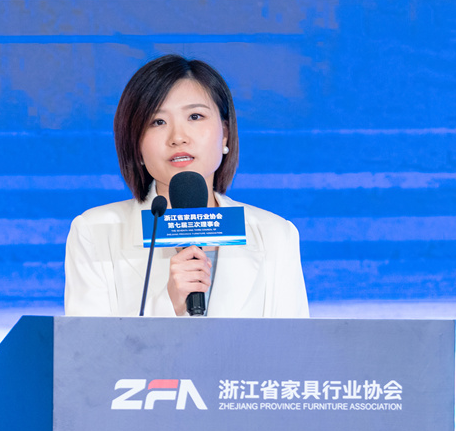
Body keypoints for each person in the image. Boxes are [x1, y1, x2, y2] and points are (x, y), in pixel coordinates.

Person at [64, 54, 309, 318]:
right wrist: (168, 304)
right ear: (136, 144)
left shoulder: (275, 235)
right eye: (158, 122)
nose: (178, 137)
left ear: (225, 133)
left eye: (195, 116)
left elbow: (293, 343)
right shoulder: (95, 232)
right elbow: (87, 344)